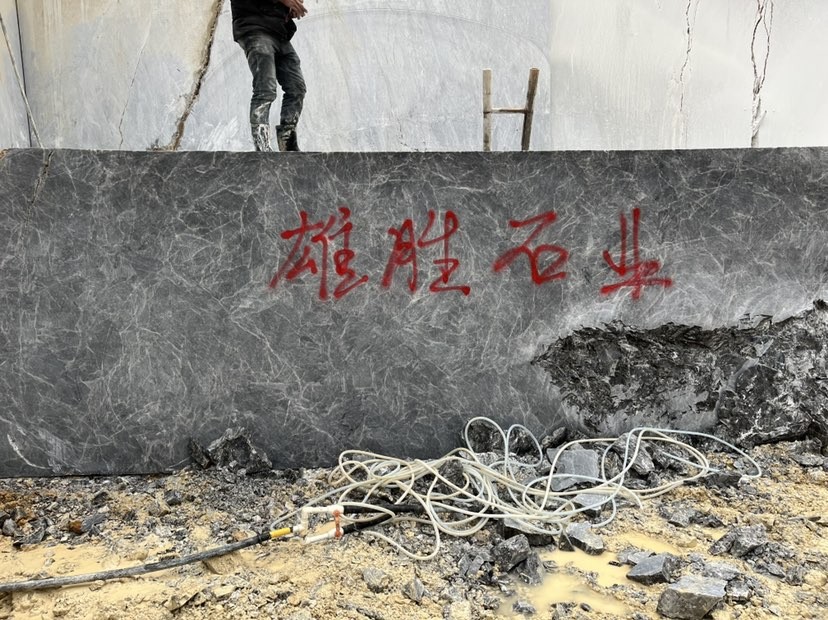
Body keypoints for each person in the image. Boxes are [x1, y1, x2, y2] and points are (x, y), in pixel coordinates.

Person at [230, 0, 307, 152]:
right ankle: (262, 148)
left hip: (279, 32)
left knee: (296, 88)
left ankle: (288, 144)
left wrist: (287, 11)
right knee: (265, 90)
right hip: (255, 28)